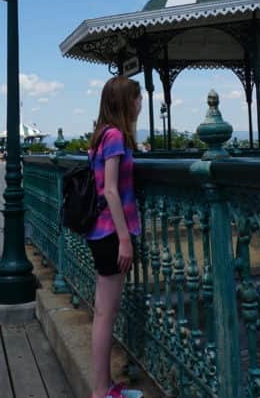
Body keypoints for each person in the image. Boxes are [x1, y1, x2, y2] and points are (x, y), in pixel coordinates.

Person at [87, 76, 143, 398]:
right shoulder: (116, 137)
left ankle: (104, 386)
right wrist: (124, 238)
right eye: (136, 99)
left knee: (102, 313)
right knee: (106, 315)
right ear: (125, 102)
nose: (139, 105)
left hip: (99, 232)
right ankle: (101, 391)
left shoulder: (100, 135)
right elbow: (110, 190)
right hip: (111, 234)